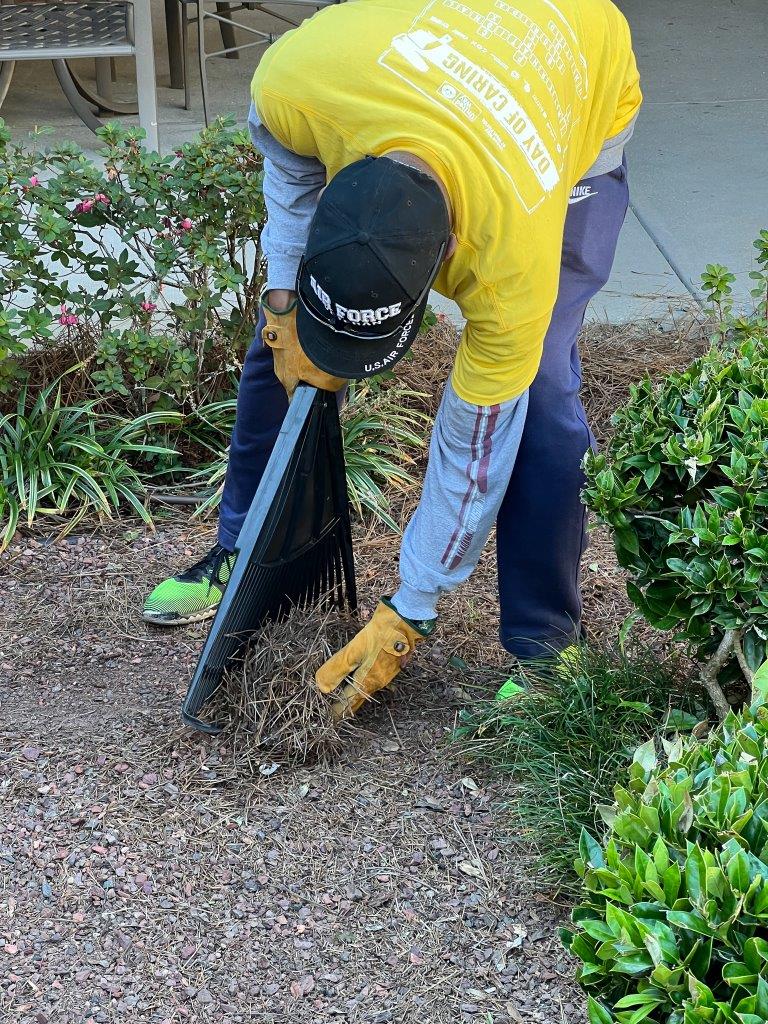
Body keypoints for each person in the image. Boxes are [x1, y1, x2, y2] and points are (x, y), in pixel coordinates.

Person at [144, 0, 641, 715]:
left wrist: (413, 604)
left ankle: (546, 649)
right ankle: (241, 552)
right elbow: (286, 161)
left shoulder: (511, 258)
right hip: (434, 70)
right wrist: (285, 295)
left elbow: (475, 446)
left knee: (540, 389)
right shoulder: (300, 81)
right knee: (281, 336)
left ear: (445, 259)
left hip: (575, 94)